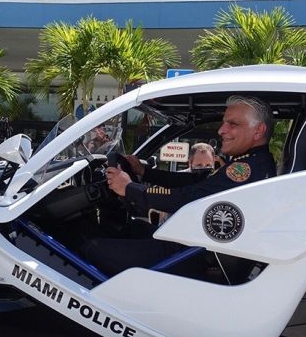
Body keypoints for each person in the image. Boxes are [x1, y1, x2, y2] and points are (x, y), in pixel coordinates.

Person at [84, 95, 277, 278]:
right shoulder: (251, 162)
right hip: (194, 246)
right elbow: (196, 181)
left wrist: (130, 189)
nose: (221, 130)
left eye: (232, 124)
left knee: (91, 248)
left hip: (195, 255)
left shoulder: (246, 169)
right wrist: (145, 172)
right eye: (224, 122)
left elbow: (189, 197)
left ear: (258, 131)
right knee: (131, 228)